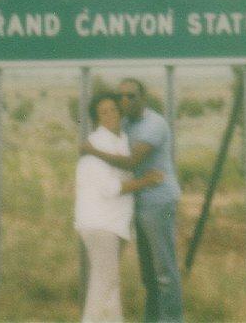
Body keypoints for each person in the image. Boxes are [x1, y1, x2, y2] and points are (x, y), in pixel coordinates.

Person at [81, 79, 183, 323]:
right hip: (137, 204)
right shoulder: (125, 123)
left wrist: (91, 150)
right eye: (122, 96)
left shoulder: (154, 124)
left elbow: (132, 162)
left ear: (143, 97)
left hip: (159, 204)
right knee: (148, 272)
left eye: (132, 96)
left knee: (164, 270)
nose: (125, 101)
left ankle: (171, 319)